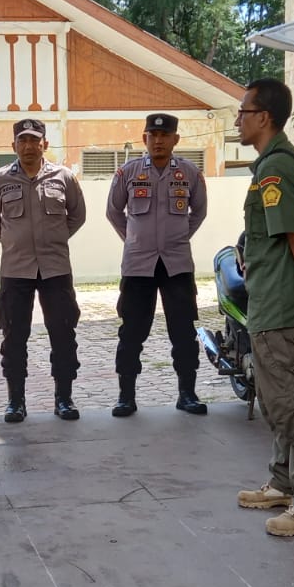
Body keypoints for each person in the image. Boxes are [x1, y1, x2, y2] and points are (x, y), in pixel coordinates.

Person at [231, 78, 294, 538]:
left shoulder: (276, 168)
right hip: (270, 300)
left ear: (264, 117)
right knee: (277, 398)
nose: (238, 119)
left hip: (281, 302)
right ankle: (283, 482)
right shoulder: (273, 163)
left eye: (243, 111)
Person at [0, 118, 87, 422]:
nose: (28, 146)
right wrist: (13, 241)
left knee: (63, 334)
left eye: (34, 140)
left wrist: (55, 239)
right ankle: (15, 401)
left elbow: (77, 215)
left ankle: (64, 399)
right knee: (14, 336)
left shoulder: (64, 177)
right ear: (13, 145)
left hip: (56, 269)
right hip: (16, 269)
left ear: (45, 144)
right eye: (23, 140)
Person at [105, 112, 209, 417]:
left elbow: (199, 212)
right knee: (132, 331)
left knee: (183, 330)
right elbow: (113, 212)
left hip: (177, 264)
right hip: (138, 265)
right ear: (145, 138)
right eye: (153, 135)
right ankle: (126, 396)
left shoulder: (189, 173)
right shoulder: (128, 172)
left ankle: (187, 394)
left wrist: (179, 237)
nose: (159, 141)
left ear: (176, 139)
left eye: (165, 136)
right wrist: (134, 239)